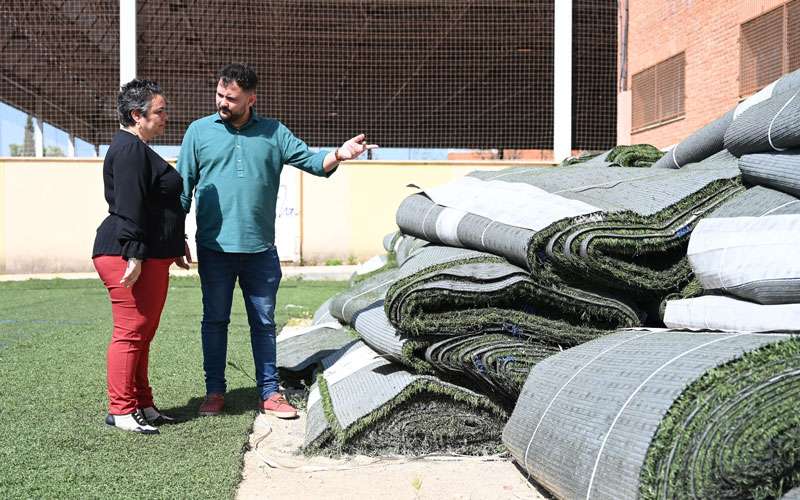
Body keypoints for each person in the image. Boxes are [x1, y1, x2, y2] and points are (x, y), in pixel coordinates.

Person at [177, 63, 376, 418]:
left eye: (232, 98)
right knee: (214, 321)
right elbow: (183, 188)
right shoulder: (198, 132)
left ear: (251, 99)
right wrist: (176, 235)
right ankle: (214, 392)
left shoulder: (274, 132)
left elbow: (314, 162)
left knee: (264, 323)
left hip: (260, 251)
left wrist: (339, 154)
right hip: (214, 248)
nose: (222, 102)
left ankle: (270, 393)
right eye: (220, 95)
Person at [93, 79, 192, 434]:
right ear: (138, 115)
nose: (166, 117)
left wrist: (175, 242)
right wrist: (134, 253)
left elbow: (156, 206)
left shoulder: (137, 148)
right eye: (160, 111)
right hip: (126, 253)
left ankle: (142, 404)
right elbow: (129, 205)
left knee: (143, 333)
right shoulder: (130, 150)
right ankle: (121, 410)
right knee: (131, 331)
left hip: (148, 253)